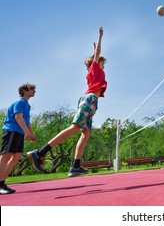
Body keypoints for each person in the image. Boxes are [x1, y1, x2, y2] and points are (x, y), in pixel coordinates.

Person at [27, 26, 107, 177]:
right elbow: (97, 54)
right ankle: (39, 153)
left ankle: (76, 166)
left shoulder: (97, 72)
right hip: (89, 100)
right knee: (75, 128)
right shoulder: (94, 69)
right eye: (101, 61)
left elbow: (97, 55)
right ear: (94, 63)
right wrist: (100, 37)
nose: (103, 64)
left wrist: (96, 50)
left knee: (86, 134)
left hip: (93, 103)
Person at [0, 83, 37, 195]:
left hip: (19, 132)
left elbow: (27, 120)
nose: (34, 91)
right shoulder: (20, 102)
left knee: (17, 156)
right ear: (24, 91)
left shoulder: (27, 104)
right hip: (12, 130)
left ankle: (2, 182)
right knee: (6, 155)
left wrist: (30, 133)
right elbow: (18, 117)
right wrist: (26, 132)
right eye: (32, 89)